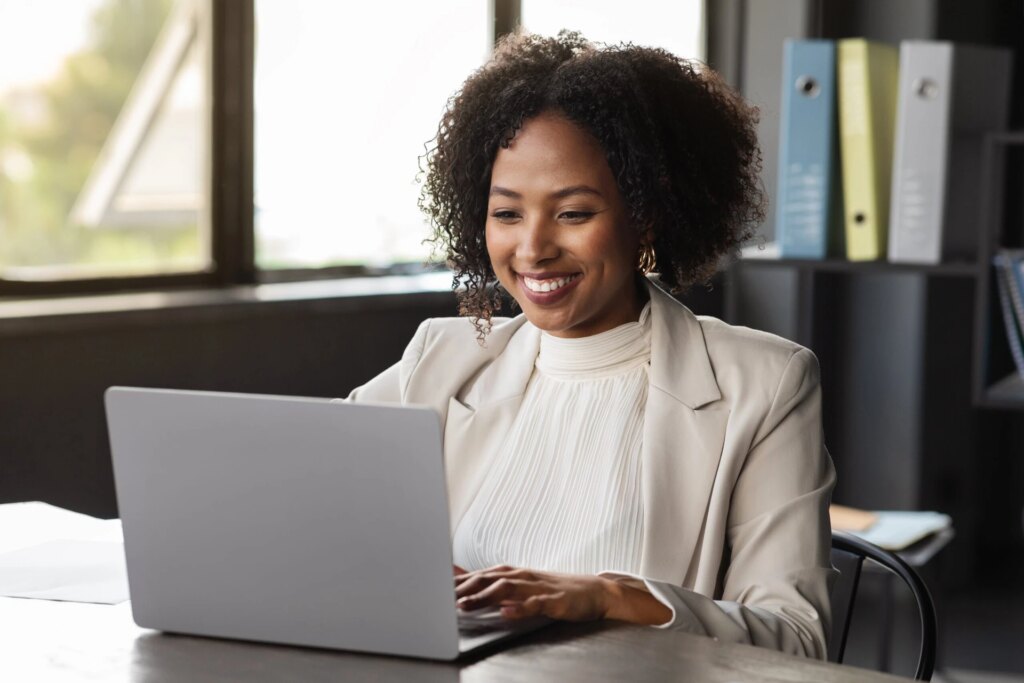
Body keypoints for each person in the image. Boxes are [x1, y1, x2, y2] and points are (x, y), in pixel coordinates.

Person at [346, 30, 836, 659]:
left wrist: (609, 596)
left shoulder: (766, 385)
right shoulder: (439, 361)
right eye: (507, 213)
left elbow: (799, 639)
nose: (532, 249)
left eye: (573, 213)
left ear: (647, 218)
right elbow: (303, 498)